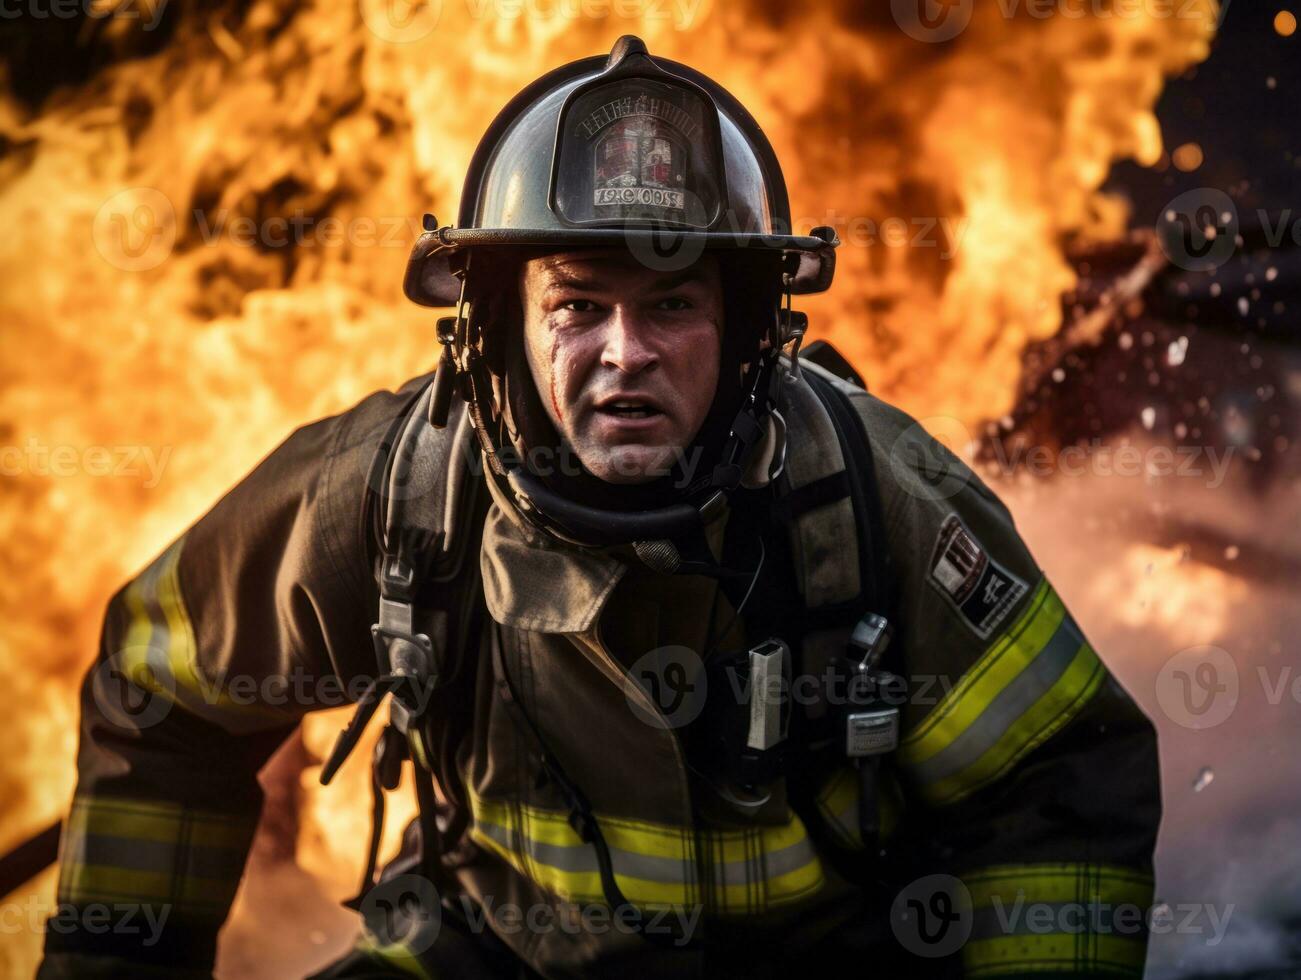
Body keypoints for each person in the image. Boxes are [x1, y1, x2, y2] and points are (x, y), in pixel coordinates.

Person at [39, 36, 1161, 980]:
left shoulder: (870, 500)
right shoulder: (397, 491)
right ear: (496, 328)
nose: (624, 354)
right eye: (577, 304)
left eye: (671, 302)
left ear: (747, 330)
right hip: (496, 951)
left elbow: (1055, 779)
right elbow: (163, 689)